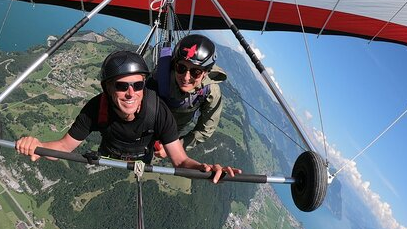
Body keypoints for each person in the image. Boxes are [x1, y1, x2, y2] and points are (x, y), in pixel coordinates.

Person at [15, 50, 239, 183]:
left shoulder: (158, 111)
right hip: (110, 152)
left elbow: (180, 161)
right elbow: (64, 147)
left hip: (143, 154)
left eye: (138, 84)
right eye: (122, 86)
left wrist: (204, 169)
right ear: (108, 89)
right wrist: (39, 146)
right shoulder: (96, 108)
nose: (131, 93)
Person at [149, 34, 225, 158]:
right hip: (150, 118)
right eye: (181, 68)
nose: (186, 77)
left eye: (196, 72)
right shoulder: (162, 76)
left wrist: (175, 147)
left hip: (172, 130)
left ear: (205, 73)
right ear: (175, 64)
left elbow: (205, 130)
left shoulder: (211, 92)